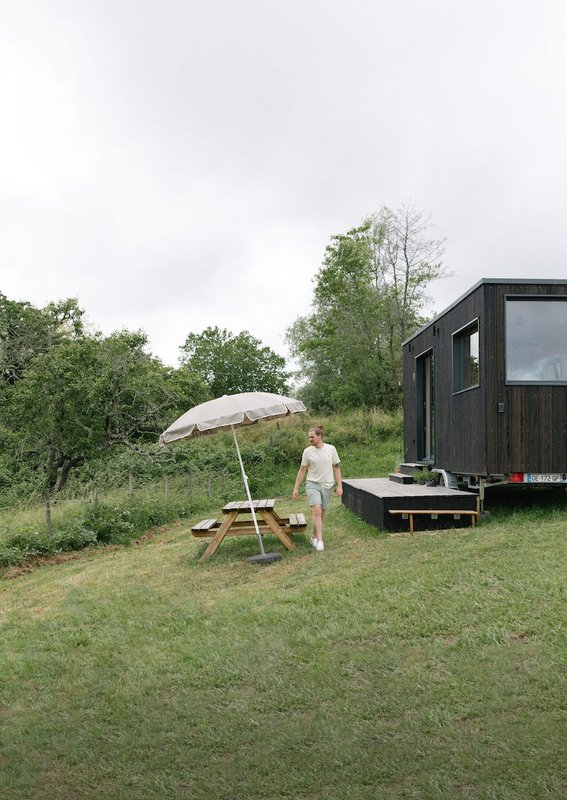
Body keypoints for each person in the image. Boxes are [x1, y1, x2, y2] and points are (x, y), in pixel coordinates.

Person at [292, 426, 342, 551]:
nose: (310, 439)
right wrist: (296, 488)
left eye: (312, 437)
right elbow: (302, 470)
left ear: (320, 436)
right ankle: (320, 540)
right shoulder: (307, 451)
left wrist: (339, 485)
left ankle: (314, 536)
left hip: (328, 485)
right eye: (309, 437)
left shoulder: (331, 449)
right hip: (312, 484)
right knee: (317, 511)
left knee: (322, 513)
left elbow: (336, 468)